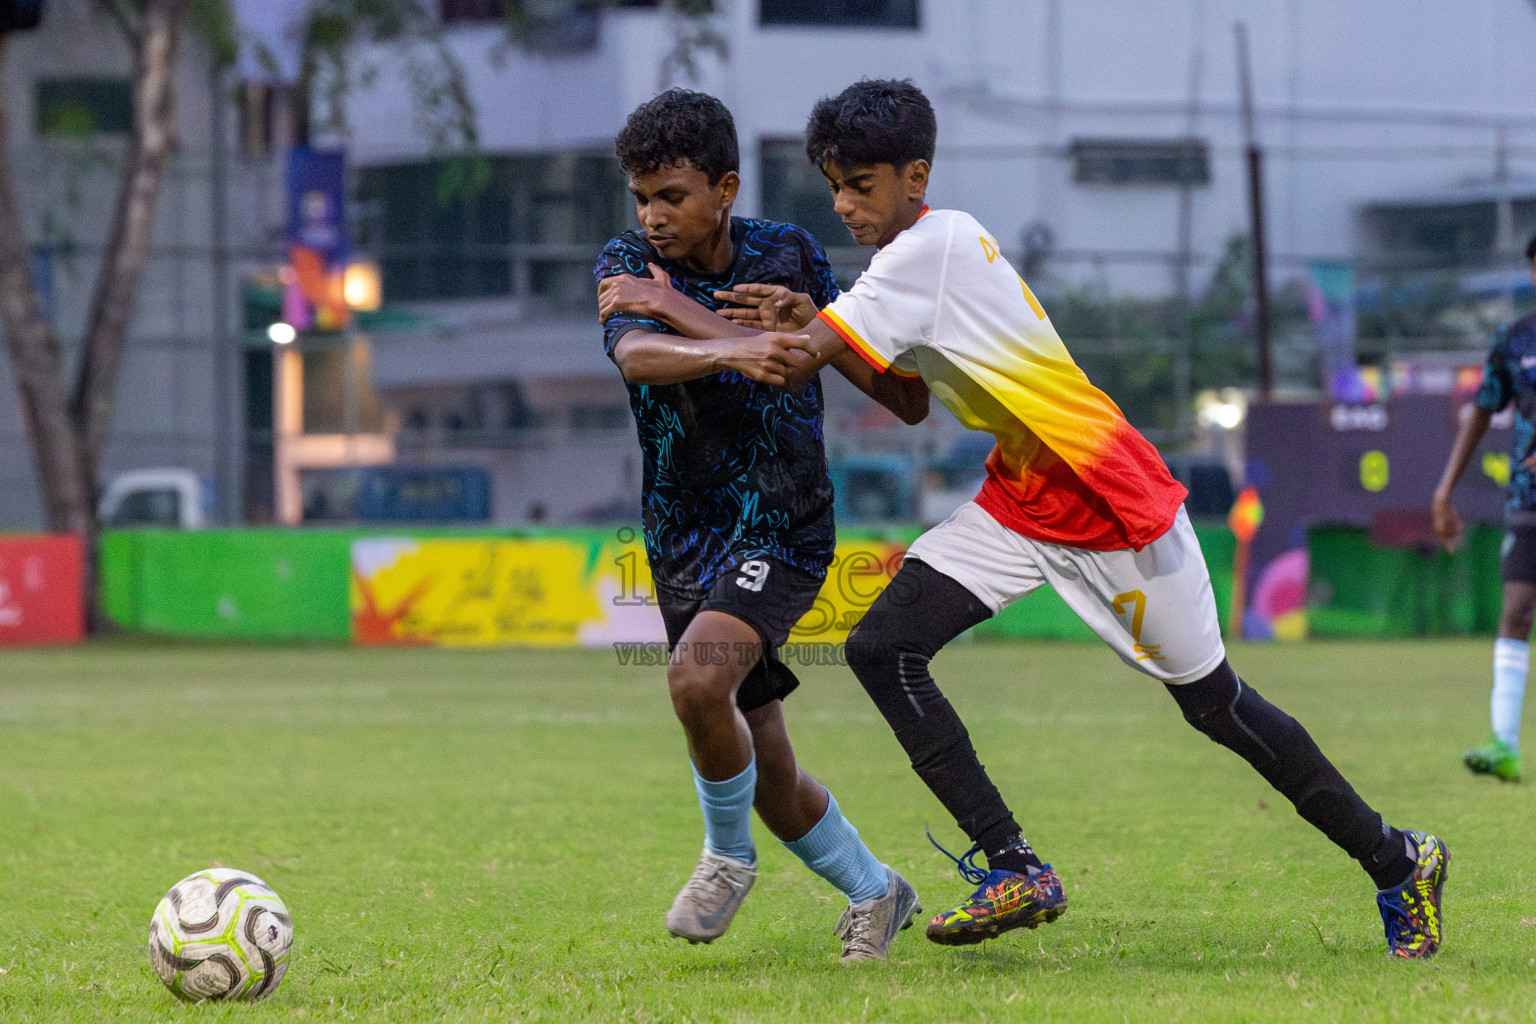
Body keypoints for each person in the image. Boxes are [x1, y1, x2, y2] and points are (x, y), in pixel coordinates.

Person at [703, 78, 1448, 959]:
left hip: (1109, 504)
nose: (843, 204)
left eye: (859, 184)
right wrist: (815, 324)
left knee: (1217, 708)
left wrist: (676, 315)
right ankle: (1014, 864)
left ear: (915, 175)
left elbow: (792, 368)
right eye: (834, 185)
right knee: (882, 648)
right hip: (1020, 499)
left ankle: (1400, 862)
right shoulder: (929, 247)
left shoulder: (924, 251)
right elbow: (905, 400)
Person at [592, 88, 928, 961]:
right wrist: (722, 341)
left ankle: (726, 858)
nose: (652, 217)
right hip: (680, 535)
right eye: (642, 197)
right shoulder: (625, 260)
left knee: (697, 683)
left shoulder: (791, 253)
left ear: (726, 188)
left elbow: (822, 357)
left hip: (780, 518)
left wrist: (707, 321)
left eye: (671, 195)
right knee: (768, 768)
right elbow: (635, 358)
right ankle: (876, 891)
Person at [1432, 232, 1536, 784]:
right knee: (1516, 608)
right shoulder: (1516, 339)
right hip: (1528, 499)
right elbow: (1482, 410)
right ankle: (1505, 743)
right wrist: (1444, 490)